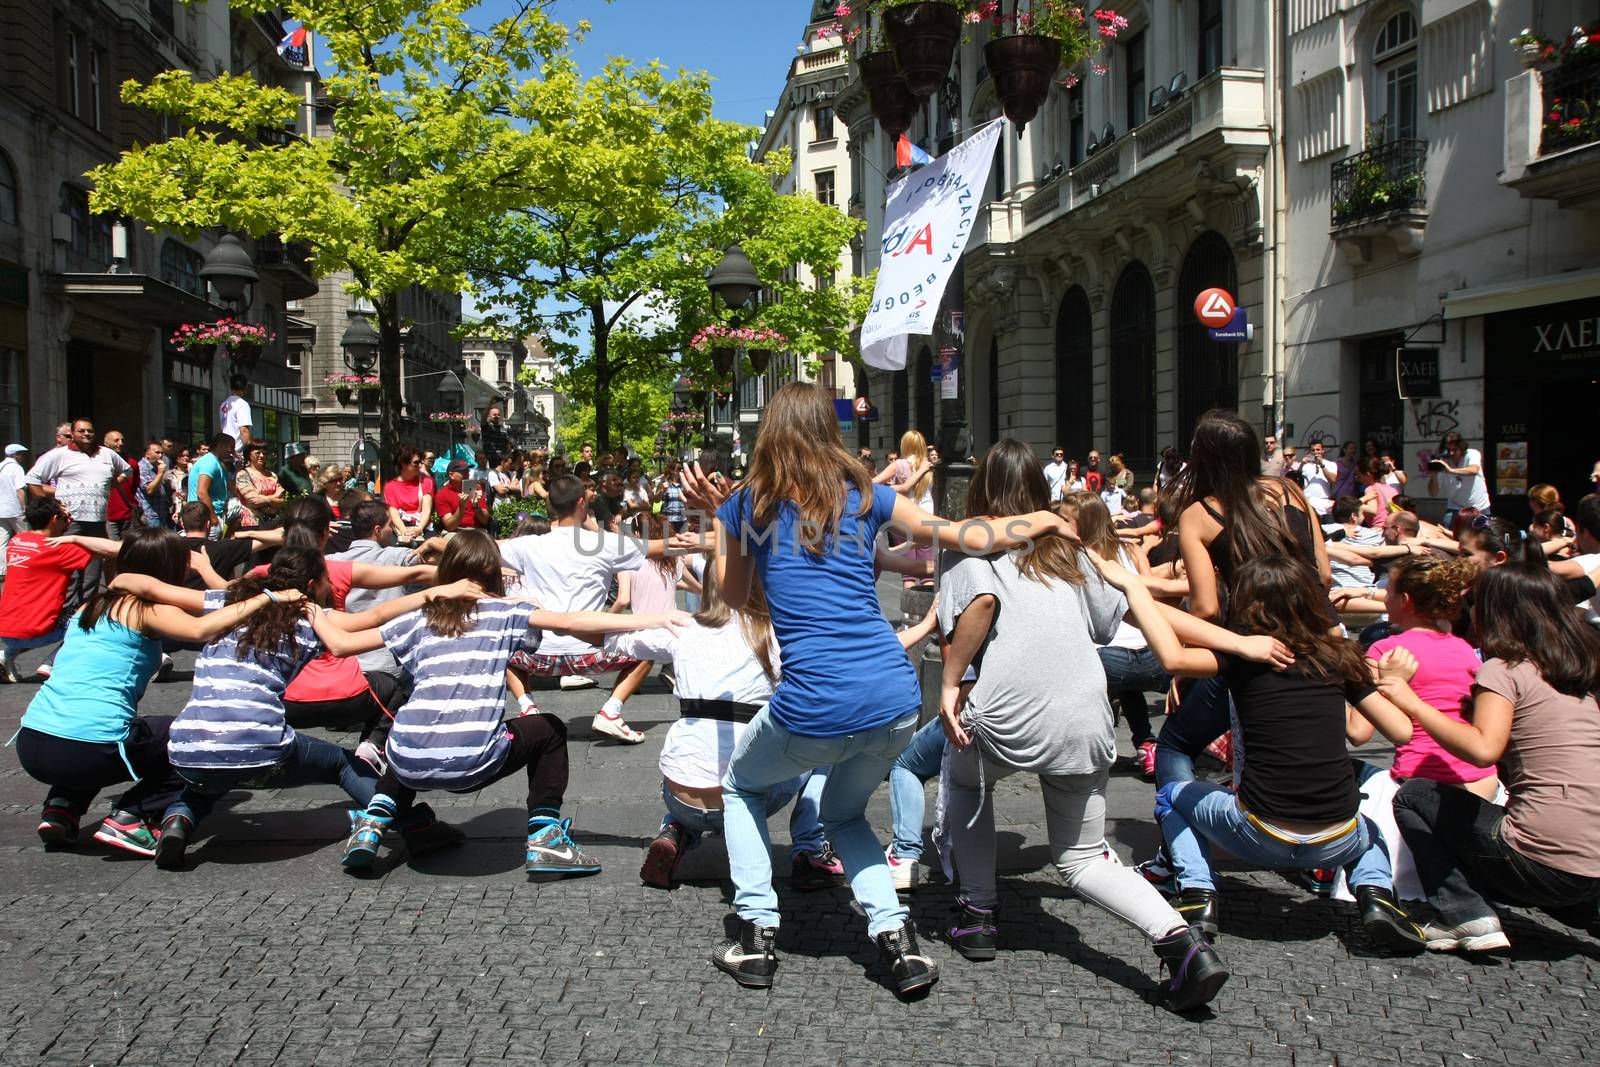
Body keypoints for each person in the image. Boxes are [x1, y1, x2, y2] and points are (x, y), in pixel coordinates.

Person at [681, 382, 1077, 998]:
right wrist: (1045, 518)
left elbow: (730, 599)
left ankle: (757, 931)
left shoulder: (748, 506)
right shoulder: (866, 496)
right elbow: (970, 535)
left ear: (771, 434)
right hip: (894, 697)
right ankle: (898, 940)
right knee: (843, 813)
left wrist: (721, 518)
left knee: (740, 786)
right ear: (828, 432)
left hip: (814, 698)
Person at [935, 444, 1249, 1011]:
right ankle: (1181, 943)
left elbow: (979, 605)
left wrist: (951, 682)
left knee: (965, 784)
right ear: (1039, 489)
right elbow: (1127, 613)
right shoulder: (1069, 548)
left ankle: (978, 912)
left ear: (981, 488)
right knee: (1084, 857)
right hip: (1084, 712)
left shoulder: (968, 540)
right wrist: (1235, 641)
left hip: (1006, 712)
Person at [1112, 552, 1426, 951]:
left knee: (1173, 796)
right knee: (1371, 831)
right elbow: (1400, 730)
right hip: (1339, 839)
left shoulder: (1246, 658)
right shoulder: (1341, 658)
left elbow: (1173, 656)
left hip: (1260, 833)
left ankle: (1197, 894)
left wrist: (1134, 587)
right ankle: (1378, 898)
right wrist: (1396, 683)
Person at [339, 531, 687, 873]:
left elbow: (342, 640)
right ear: (494, 571)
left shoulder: (417, 619)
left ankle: (372, 822)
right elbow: (571, 621)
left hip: (405, 761)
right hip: (473, 760)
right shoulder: (505, 612)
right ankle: (545, 838)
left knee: (414, 731)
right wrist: (653, 618)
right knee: (549, 729)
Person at [147, 547, 480, 869]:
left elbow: (164, 592)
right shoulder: (311, 617)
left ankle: (179, 820)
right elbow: (376, 616)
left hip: (188, 748)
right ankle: (414, 826)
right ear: (310, 586)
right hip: (258, 744)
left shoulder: (230, 603)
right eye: (326, 582)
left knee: (209, 777)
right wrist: (442, 591)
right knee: (341, 763)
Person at [16, 527, 290, 854]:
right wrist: (268, 598)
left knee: (94, 721)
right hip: (92, 750)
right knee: (196, 737)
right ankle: (133, 816)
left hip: (32, 741)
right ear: (169, 569)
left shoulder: (89, 607)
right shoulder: (145, 609)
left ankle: (62, 807)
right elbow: (201, 628)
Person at [1384, 563, 1600, 952]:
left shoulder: (1504, 670)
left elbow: (1484, 749)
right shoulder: (1573, 678)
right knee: (1564, 874)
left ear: (1496, 611)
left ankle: (1465, 914)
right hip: (1590, 868)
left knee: (1416, 795)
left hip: (1539, 863)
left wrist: (1410, 700)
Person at [500, 474, 674, 744]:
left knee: (502, 650)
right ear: (582, 503)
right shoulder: (602, 544)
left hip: (536, 657)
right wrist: (721, 535)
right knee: (645, 651)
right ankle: (611, 712)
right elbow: (664, 546)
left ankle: (527, 707)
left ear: (550, 505)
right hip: (592, 654)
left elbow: (478, 548)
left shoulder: (526, 545)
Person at [1069, 492, 1168, 778]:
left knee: (1098, 684)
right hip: (1152, 654)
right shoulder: (1132, 550)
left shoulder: (1075, 556)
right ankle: (1150, 746)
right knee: (1131, 688)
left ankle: (1090, 749)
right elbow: (1150, 598)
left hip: (1109, 660)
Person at [25, 418, 131, 591]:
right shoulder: (59, 455)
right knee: (70, 571)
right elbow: (32, 479)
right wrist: (52, 507)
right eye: (81, 431)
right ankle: (68, 611)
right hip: (70, 521)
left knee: (93, 571)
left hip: (97, 522)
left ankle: (86, 611)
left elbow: (126, 470)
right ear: (72, 434)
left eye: (90, 431)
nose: (86, 434)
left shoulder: (106, 454)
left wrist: (110, 484)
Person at [0, 498, 93, 682]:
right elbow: (112, 550)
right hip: (38, 632)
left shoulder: (17, 541)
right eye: (65, 514)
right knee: (93, 612)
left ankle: (5, 656)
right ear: (54, 519)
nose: (69, 517)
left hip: (6, 632)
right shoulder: (60, 549)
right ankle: (52, 662)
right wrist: (75, 535)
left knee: (28, 621)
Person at [1427, 432, 1490, 527]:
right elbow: (1433, 493)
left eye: (1454, 450)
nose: (1451, 453)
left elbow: (1473, 470)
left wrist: (1450, 470)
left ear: (1461, 448)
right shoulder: (1442, 462)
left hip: (1478, 506)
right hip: (1455, 507)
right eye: (1448, 450)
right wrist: (1434, 475)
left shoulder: (1471, 454)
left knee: (1480, 537)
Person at [384, 447, 434, 545]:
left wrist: (419, 528)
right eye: (416, 462)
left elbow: (426, 510)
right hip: (400, 528)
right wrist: (405, 532)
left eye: (421, 462)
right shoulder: (390, 486)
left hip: (423, 527)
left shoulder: (426, 481)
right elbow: (394, 514)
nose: (420, 465)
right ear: (403, 464)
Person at [187, 433, 236, 532]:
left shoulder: (218, 463)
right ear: (221, 445)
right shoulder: (210, 463)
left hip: (218, 512)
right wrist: (212, 517)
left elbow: (232, 488)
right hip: (205, 517)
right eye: (231, 447)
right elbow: (201, 493)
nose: (233, 451)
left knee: (241, 508)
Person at [233, 442, 287, 530]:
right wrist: (273, 498)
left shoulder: (272, 475)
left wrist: (264, 499)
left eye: (264, 453)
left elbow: (282, 500)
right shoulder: (243, 475)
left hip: (275, 521)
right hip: (251, 522)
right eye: (257, 453)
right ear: (249, 455)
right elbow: (253, 500)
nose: (261, 456)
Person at [0, 442, 28, 584]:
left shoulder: (0, 467)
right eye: (21, 454)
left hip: (1, 510)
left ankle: (2, 571)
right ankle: (26, 567)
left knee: (2, 542)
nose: (23, 457)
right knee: (25, 539)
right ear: (16, 455)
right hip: (15, 509)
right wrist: (24, 507)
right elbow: (20, 489)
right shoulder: (17, 468)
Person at [433, 460, 489, 531]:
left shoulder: (475, 488)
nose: (467, 475)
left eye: (467, 471)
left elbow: (485, 521)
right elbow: (450, 527)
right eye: (463, 472)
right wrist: (461, 506)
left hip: (478, 531)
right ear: (451, 475)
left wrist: (476, 506)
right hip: (456, 532)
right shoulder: (442, 494)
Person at [135, 440, 170, 529]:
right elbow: (149, 490)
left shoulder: (155, 467)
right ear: (147, 454)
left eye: (162, 453)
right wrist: (160, 473)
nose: (160, 456)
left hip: (160, 512)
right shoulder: (142, 467)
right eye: (157, 453)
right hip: (150, 515)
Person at [1297, 441, 1338, 516]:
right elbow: (1296, 479)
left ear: (1323, 450)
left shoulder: (1331, 464)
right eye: (1313, 450)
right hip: (1308, 500)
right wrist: (1302, 464)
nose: (1315, 452)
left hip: (1324, 501)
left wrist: (1321, 465)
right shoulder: (1305, 466)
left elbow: (1333, 479)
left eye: (1318, 450)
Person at [220, 374, 253, 448]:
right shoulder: (242, 404)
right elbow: (244, 430)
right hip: (236, 450)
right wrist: (249, 450)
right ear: (245, 387)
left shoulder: (223, 404)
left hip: (224, 448)